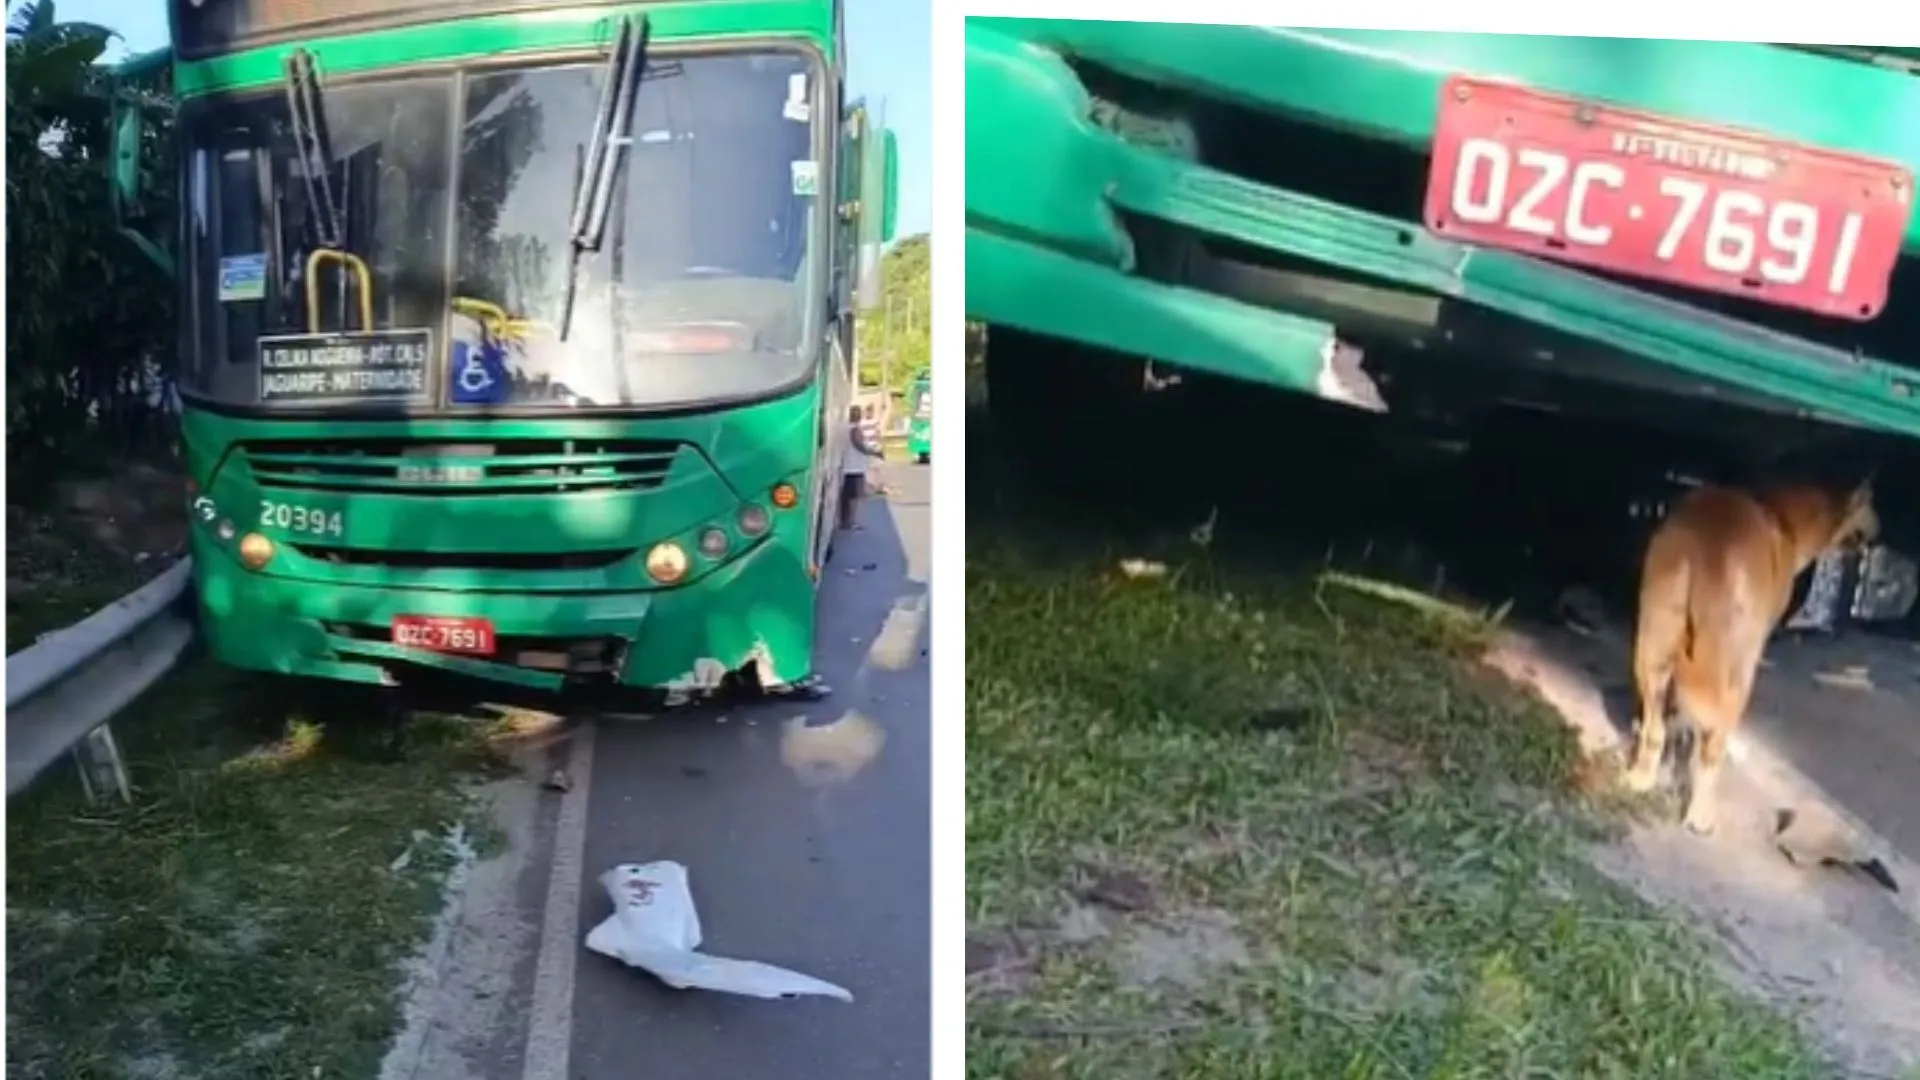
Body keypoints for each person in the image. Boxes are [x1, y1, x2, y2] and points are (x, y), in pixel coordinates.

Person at [840, 405, 882, 530]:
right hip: (854, 467)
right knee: (854, 497)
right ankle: (850, 522)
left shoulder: (846, 428)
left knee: (848, 497)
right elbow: (859, 445)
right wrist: (874, 452)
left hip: (849, 466)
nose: (858, 415)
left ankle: (846, 521)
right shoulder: (854, 430)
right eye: (857, 413)